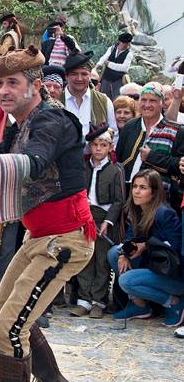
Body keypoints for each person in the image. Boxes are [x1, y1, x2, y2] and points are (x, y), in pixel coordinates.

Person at [0, 47, 93, 382]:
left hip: (65, 238)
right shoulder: (18, 123)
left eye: (13, 83)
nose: (3, 90)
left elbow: (32, 162)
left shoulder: (51, 119)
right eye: (0, 83)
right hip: (38, 236)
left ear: (35, 86)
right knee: (4, 311)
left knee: (10, 327)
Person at [109, 170, 184, 325]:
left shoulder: (165, 213)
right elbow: (129, 239)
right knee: (114, 253)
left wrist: (146, 245)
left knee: (126, 281)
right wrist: (124, 253)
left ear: (154, 191)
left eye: (143, 187)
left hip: (172, 275)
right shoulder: (137, 210)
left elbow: (176, 248)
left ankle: (173, 302)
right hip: (151, 266)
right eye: (135, 186)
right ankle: (139, 305)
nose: (136, 191)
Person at [72, 126, 124, 318]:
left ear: (110, 147)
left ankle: (99, 301)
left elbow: (119, 200)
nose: (98, 149)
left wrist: (108, 222)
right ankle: (83, 299)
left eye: (103, 145)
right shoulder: (83, 167)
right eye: (95, 145)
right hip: (84, 216)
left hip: (103, 218)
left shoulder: (115, 170)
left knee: (102, 261)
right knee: (85, 258)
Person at [115, 82, 184, 197]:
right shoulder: (130, 126)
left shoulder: (176, 131)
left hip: (158, 197)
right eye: (143, 100)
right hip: (126, 193)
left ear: (162, 103)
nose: (147, 105)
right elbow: (118, 159)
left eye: (152, 101)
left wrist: (152, 157)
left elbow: (179, 166)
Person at [64, 51, 118, 142]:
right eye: (74, 74)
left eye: (84, 74)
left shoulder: (104, 101)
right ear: (66, 76)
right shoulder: (56, 101)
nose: (79, 78)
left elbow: (114, 134)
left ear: (89, 75)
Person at [96, 33, 134, 100]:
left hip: (118, 81)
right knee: (103, 98)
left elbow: (124, 68)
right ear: (119, 41)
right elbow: (104, 58)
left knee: (117, 99)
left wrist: (109, 64)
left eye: (127, 43)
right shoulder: (112, 48)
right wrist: (96, 67)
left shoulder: (129, 54)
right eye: (123, 43)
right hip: (106, 78)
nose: (125, 45)